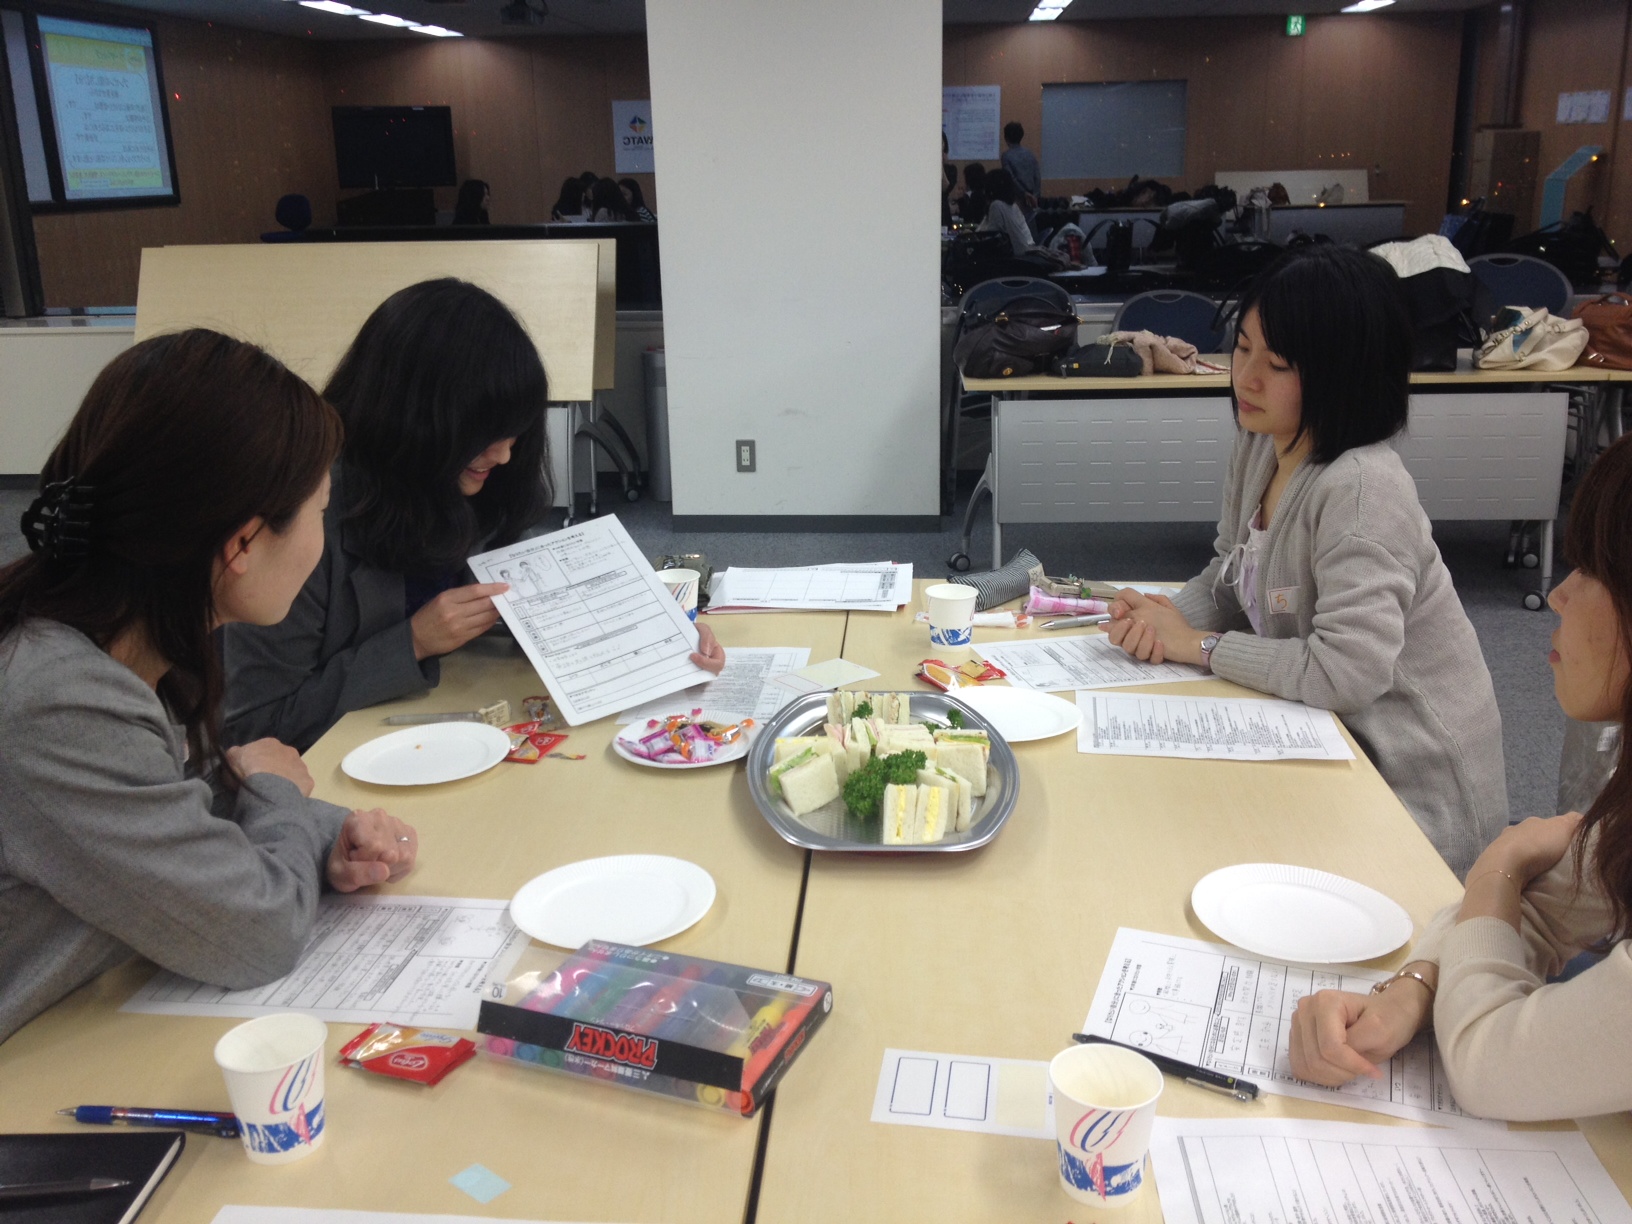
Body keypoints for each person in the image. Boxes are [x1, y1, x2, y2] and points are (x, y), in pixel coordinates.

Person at [0, 329, 418, 1046]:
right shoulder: (56, 701)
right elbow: (257, 933)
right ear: (243, 543)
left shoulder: (126, 644)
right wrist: (276, 794)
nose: (321, 539)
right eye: (319, 511)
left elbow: (182, 819)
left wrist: (329, 836)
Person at [1103, 246, 1506, 877]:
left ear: (1342, 373)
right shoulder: (1263, 441)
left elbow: (1345, 673)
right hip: (1323, 740)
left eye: (1278, 364)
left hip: (1409, 795)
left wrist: (1195, 645)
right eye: (1241, 349)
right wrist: (1161, 620)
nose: (1246, 378)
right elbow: (1230, 573)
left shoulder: (1364, 489)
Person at [222, 279, 726, 752]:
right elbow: (253, 728)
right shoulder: (303, 518)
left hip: (458, 731)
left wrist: (660, 631)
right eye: (485, 435)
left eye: (514, 433)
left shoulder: (481, 484)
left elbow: (530, 603)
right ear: (415, 421)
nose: (504, 455)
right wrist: (412, 642)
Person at [1288, 434, 1632, 1120]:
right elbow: (1546, 908)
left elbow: (1490, 1067)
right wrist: (1413, 990)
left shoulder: (1365, 487)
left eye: (1592, 571)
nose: (1560, 594)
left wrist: (1500, 862)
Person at [979, 169, 1064, 268]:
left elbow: (991, 237)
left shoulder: (996, 205)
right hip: (1023, 254)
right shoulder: (1011, 206)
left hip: (1014, 260)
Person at [1000, 121, 1041, 211]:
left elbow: (1011, 177)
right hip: (1032, 198)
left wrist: (1024, 193)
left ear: (1006, 138)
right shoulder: (1030, 154)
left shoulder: (1006, 156)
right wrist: (1035, 195)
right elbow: (1037, 176)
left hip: (1017, 197)